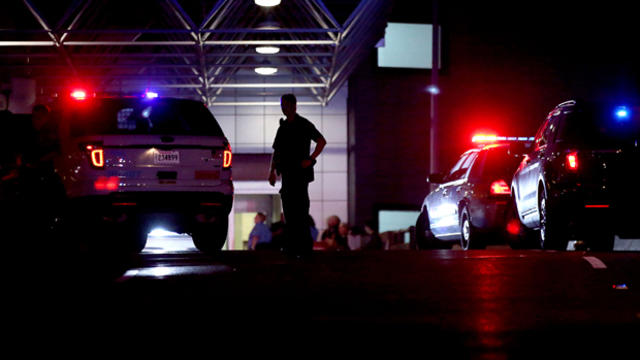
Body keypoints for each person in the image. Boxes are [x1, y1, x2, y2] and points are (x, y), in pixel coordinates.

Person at [269, 94, 326, 257]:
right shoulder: (283, 127)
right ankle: (293, 246)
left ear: (294, 106)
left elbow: (321, 141)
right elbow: (277, 151)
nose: (283, 108)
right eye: (282, 105)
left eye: (285, 105)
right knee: (289, 210)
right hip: (287, 173)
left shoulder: (303, 124)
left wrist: (310, 159)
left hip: (300, 173)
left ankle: (303, 246)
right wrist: (271, 171)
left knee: (300, 208)